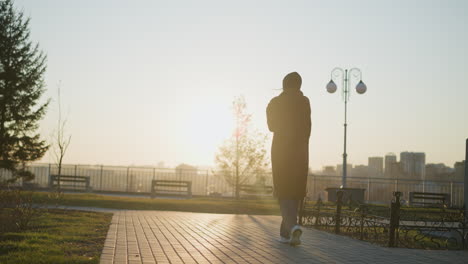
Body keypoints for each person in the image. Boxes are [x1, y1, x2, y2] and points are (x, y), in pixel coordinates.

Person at [266, 72, 311, 246]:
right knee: (296, 191)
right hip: (300, 151)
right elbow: (308, 128)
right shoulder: (305, 101)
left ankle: (293, 227)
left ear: (284, 84)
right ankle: (288, 234)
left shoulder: (275, 103)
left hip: (281, 151)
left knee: (284, 191)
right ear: (300, 85)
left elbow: (271, 127)